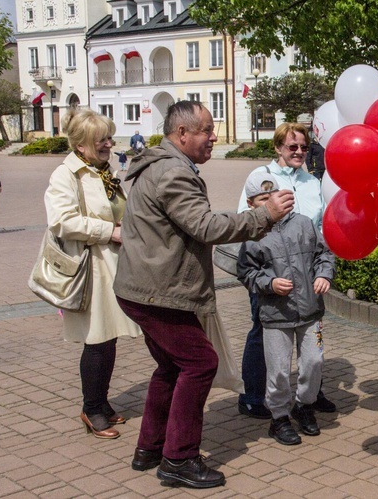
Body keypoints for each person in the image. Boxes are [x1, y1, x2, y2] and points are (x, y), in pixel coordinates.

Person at [113, 101, 294, 489]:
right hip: (158, 292)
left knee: (172, 366)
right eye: (207, 130)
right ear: (182, 134)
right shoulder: (174, 172)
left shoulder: (164, 165)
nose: (214, 137)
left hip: (145, 288)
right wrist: (265, 217)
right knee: (200, 363)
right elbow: (205, 226)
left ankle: (151, 447)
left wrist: (254, 213)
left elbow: (193, 222)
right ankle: (178, 459)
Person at [42, 109, 142, 440]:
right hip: (91, 268)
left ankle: (101, 402)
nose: (110, 144)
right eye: (103, 140)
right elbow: (61, 220)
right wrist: (108, 232)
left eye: (109, 138)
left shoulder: (102, 171)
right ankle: (92, 409)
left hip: (112, 266)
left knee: (108, 337)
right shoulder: (66, 175)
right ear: (83, 144)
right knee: (96, 339)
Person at [235, 122, 335, 420]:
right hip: (271, 268)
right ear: (278, 147)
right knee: (261, 332)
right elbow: (246, 219)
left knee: (310, 342)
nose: (300, 152)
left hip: (305, 268)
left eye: (304, 147)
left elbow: (316, 225)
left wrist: (322, 267)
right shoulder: (262, 178)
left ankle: (310, 395)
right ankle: (254, 395)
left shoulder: (310, 181)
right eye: (293, 147)